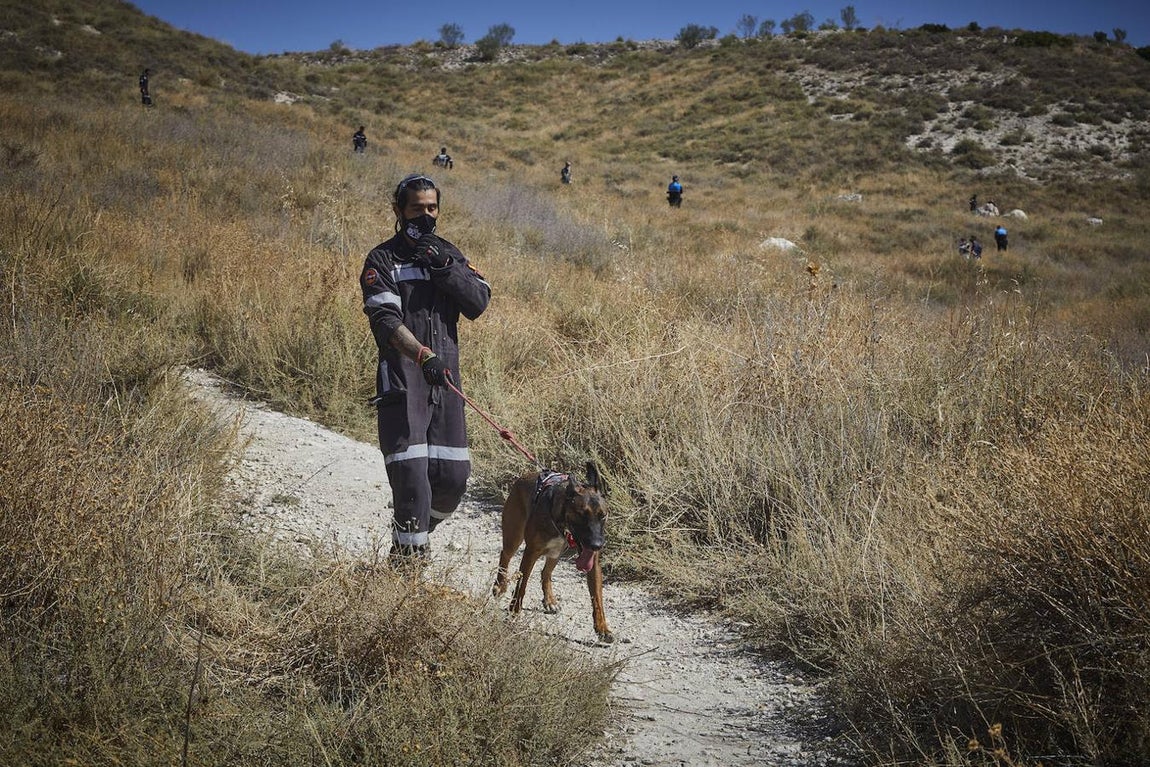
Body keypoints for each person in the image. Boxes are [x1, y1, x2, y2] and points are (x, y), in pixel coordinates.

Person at [359, 174, 491, 565]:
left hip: (445, 384)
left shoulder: (448, 252)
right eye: (417, 208)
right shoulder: (382, 259)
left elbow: (479, 301)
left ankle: (409, 539)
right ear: (399, 211)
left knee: (452, 482)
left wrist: (444, 266)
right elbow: (384, 320)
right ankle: (407, 573)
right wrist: (421, 355)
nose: (426, 215)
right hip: (404, 383)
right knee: (413, 481)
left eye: (432, 208)